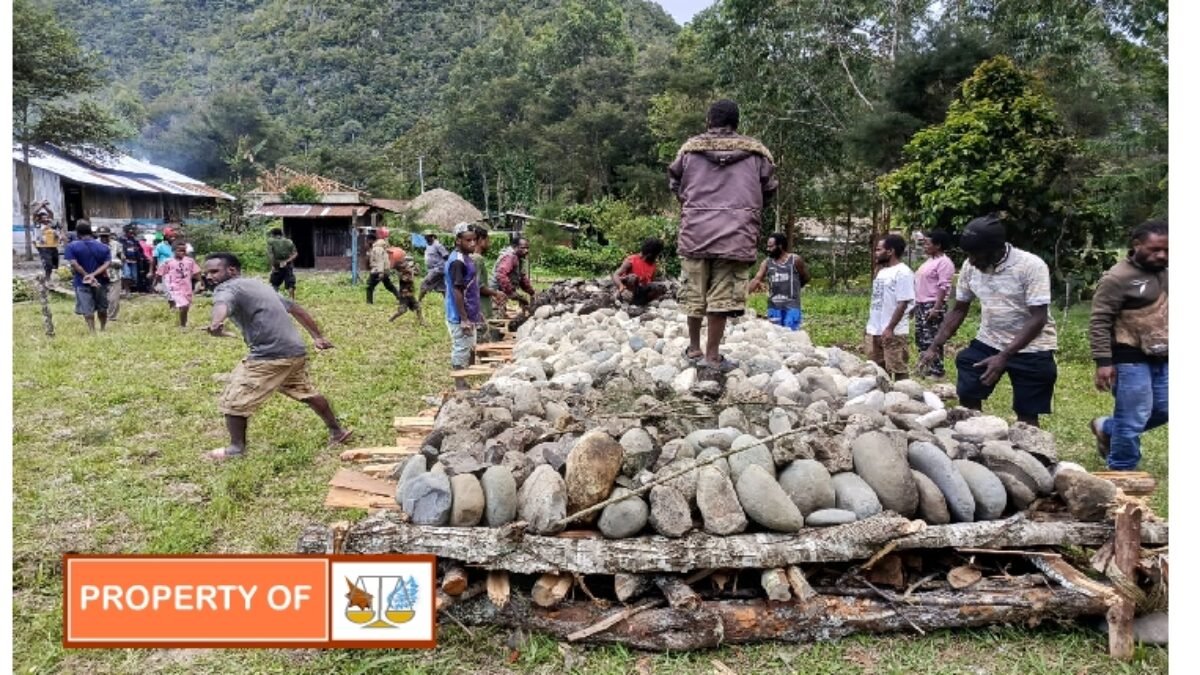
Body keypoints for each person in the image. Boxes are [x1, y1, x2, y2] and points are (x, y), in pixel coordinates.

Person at [201, 252, 353, 461]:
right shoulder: (259, 285)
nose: (209, 276)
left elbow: (222, 304)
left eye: (214, 271)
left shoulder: (225, 288)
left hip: (270, 356)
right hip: (295, 352)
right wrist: (317, 337)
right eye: (206, 273)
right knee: (305, 392)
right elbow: (296, 308)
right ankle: (338, 432)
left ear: (232, 270)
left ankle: (236, 449)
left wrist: (216, 322)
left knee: (233, 402)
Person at [669, 99, 778, 374]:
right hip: (736, 234)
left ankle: (694, 349)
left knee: (695, 292)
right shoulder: (757, 154)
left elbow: (675, 184)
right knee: (722, 296)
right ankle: (713, 355)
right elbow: (769, 189)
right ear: (736, 123)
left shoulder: (689, 151)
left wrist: (695, 207)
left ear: (709, 121)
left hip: (696, 233)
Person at [918, 215, 1058, 427]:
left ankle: (1031, 451)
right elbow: (958, 310)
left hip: (1033, 347)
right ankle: (975, 431)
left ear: (997, 249)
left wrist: (1005, 356)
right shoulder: (970, 266)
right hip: (990, 341)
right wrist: (935, 346)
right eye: (969, 255)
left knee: (1027, 412)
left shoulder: (1031, 266)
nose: (972, 261)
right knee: (968, 378)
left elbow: (1039, 318)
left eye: (976, 255)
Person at [1088, 219, 1168, 471]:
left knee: (1166, 408)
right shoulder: (1117, 278)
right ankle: (1122, 468)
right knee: (1133, 417)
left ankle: (1107, 428)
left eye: (1167, 250)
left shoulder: (1167, 272)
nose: (1162, 255)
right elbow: (1099, 321)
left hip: (1163, 354)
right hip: (1129, 357)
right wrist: (1103, 361)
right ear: (1136, 245)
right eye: (1155, 249)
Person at [865, 235, 916, 379]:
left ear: (890, 251)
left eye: (879, 250)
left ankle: (905, 396)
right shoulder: (882, 272)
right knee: (877, 370)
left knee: (898, 368)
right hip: (875, 330)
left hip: (894, 332)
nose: (876, 253)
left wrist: (890, 328)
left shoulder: (903, 273)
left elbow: (903, 303)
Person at [444, 223, 484, 391]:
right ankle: (460, 385)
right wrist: (464, 319)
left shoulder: (466, 258)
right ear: (458, 241)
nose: (473, 243)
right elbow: (457, 291)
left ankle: (465, 381)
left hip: (469, 313)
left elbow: (470, 288)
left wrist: (476, 313)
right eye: (468, 240)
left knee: (469, 347)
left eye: (474, 240)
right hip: (460, 316)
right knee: (461, 348)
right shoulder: (457, 262)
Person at [912, 231, 956, 378]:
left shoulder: (944, 262)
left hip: (932, 304)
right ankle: (924, 367)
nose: (924, 246)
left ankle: (937, 371)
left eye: (927, 243)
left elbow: (944, 287)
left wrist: (936, 308)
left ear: (938, 245)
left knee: (932, 338)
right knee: (921, 337)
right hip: (921, 304)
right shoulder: (929, 261)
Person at [749, 232, 810, 329]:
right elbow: (757, 279)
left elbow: (805, 277)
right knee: (774, 335)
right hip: (774, 307)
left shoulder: (795, 260)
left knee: (791, 335)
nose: (768, 249)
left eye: (771, 247)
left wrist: (795, 288)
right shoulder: (767, 263)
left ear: (780, 246)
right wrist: (742, 295)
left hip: (792, 307)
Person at [63, 220, 112, 334]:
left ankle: (92, 331)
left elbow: (74, 264)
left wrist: (87, 276)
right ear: (90, 231)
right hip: (101, 282)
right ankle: (103, 329)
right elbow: (107, 264)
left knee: (87, 308)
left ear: (77, 232)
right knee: (102, 307)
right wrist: (94, 275)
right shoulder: (103, 247)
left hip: (81, 282)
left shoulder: (71, 246)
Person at [471, 225, 506, 340]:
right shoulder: (477, 259)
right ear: (481, 240)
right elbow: (477, 286)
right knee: (482, 339)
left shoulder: (469, 257)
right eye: (488, 240)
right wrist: (495, 293)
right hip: (480, 308)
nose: (489, 244)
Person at [156, 241, 202, 328]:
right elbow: (159, 273)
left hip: (187, 287)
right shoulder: (168, 262)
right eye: (180, 250)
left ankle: (182, 322)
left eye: (184, 251)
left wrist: (200, 282)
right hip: (174, 287)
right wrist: (157, 284)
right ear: (173, 251)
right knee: (183, 305)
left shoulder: (190, 261)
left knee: (185, 307)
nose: (182, 253)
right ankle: (182, 325)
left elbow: (196, 272)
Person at [612, 237, 669, 306]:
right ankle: (624, 299)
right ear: (650, 254)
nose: (657, 257)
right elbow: (616, 274)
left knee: (660, 286)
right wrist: (621, 287)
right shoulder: (632, 260)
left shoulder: (653, 265)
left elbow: (651, 283)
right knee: (633, 277)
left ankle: (643, 303)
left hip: (642, 294)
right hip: (628, 291)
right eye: (656, 255)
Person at [492, 236, 536, 313]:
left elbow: (522, 279)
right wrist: (511, 292)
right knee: (496, 317)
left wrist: (532, 292)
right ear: (515, 247)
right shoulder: (510, 257)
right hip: (495, 293)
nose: (526, 251)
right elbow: (501, 275)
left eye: (527, 248)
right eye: (523, 248)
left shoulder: (518, 258)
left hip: (502, 291)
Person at [388, 246, 425, 326]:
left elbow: (416, 273)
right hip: (404, 295)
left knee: (418, 307)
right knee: (402, 310)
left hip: (410, 294)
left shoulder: (406, 268)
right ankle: (391, 319)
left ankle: (422, 322)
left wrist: (416, 269)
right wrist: (411, 272)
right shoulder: (401, 272)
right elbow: (406, 279)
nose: (406, 263)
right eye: (404, 262)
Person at [366, 229, 400, 304]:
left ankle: (369, 302)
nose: (367, 243)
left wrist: (381, 273)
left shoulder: (377, 248)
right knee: (389, 286)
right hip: (383, 270)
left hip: (377, 270)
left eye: (368, 241)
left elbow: (380, 261)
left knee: (369, 286)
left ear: (371, 240)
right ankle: (400, 297)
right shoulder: (378, 247)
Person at [96, 226, 123, 321]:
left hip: (114, 274)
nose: (103, 238)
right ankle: (102, 316)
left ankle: (111, 317)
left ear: (109, 235)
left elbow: (122, 258)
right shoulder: (95, 244)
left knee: (114, 299)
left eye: (105, 236)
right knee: (102, 298)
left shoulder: (116, 244)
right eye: (101, 236)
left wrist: (116, 262)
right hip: (99, 274)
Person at [417, 231, 450, 303]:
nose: (426, 238)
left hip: (437, 269)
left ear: (432, 237)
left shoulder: (438, 245)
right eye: (425, 237)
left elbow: (446, 255)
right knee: (442, 288)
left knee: (424, 283)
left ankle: (418, 301)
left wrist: (441, 265)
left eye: (427, 237)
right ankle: (448, 302)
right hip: (433, 269)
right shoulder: (428, 245)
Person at [267, 227, 298, 300]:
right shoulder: (289, 241)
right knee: (290, 282)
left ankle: (274, 299)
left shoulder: (271, 242)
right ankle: (292, 300)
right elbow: (295, 253)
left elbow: (271, 255)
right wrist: (287, 261)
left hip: (277, 264)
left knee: (274, 283)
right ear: (281, 234)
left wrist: (273, 265)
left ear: (273, 234)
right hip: (287, 264)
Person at [33, 205, 61, 283]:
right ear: (39, 219)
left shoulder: (51, 223)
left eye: (46, 217)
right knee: (48, 263)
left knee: (55, 262)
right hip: (43, 247)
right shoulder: (37, 224)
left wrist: (45, 207)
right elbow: (35, 213)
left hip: (53, 245)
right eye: (43, 218)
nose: (46, 219)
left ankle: (53, 279)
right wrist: (41, 204)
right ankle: (47, 278)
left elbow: (51, 213)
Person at [118, 224, 146, 296]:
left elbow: (140, 250)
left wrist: (142, 256)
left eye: (133, 232)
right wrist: (122, 255)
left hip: (134, 261)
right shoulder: (121, 240)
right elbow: (119, 249)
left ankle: (127, 288)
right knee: (127, 275)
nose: (132, 233)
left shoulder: (135, 241)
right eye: (130, 232)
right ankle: (127, 290)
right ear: (126, 232)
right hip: (126, 261)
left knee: (134, 277)